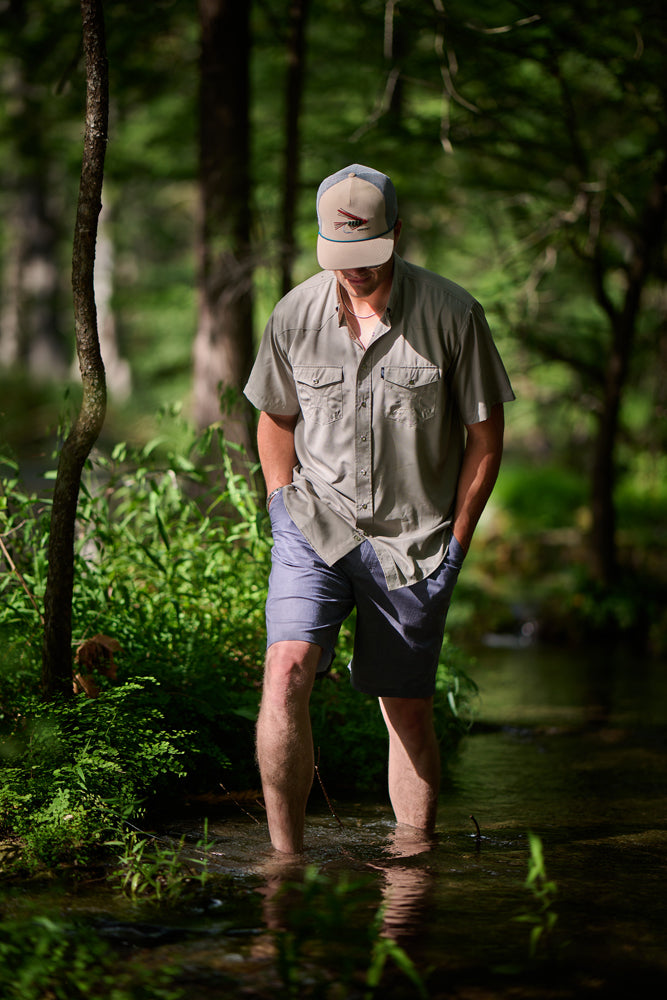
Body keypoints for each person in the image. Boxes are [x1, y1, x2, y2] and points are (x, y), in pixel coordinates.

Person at [244, 164, 514, 854]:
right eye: (341, 259)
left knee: (407, 712)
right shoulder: (294, 314)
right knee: (285, 672)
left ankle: (411, 875)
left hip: (415, 544)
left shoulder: (454, 314)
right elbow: (275, 419)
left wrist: (455, 545)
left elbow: (484, 439)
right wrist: (279, 501)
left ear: (397, 232)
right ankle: (286, 865)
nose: (355, 272)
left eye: (368, 257)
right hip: (312, 525)